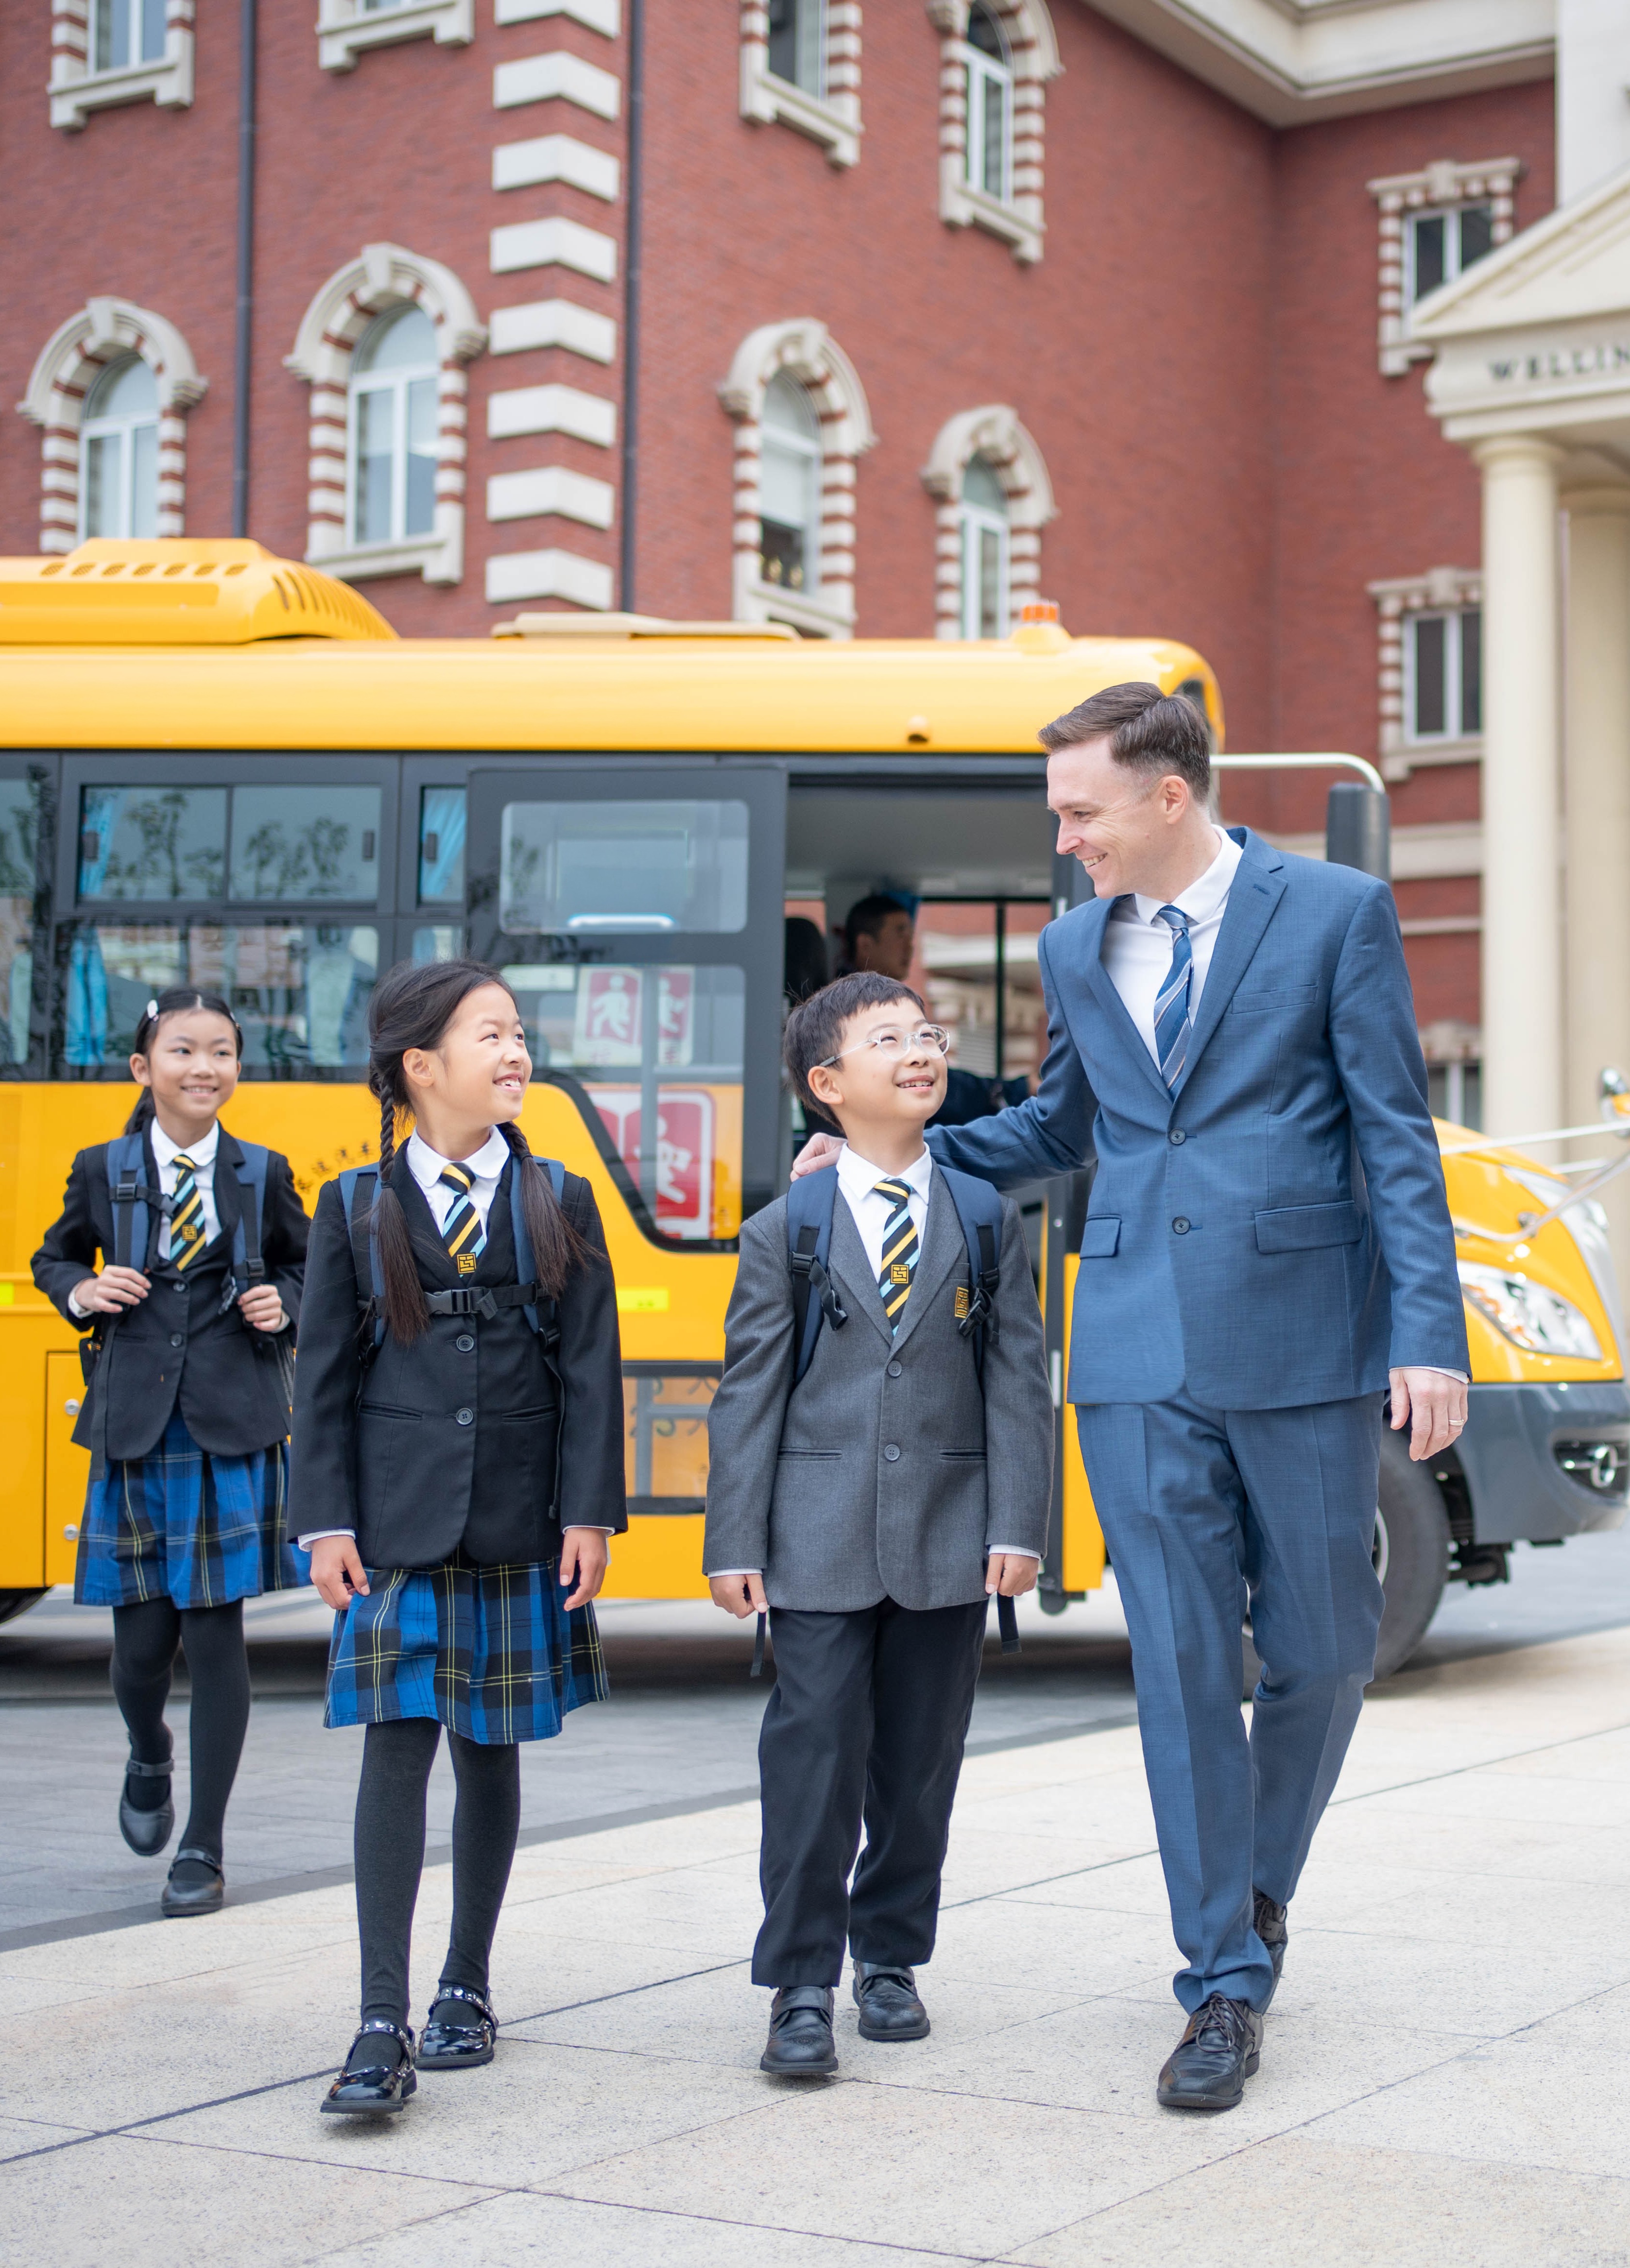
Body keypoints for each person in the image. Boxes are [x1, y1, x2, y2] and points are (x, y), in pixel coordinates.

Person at [795, 684, 1469, 2112]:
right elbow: (1060, 1125)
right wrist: (880, 1153)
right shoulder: (1069, 941)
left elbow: (1391, 1131)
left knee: (1322, 1646)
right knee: (1172, 1669)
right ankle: (1218, 1978)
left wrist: (1429, 1332)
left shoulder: (1333, 911)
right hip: (1131, 1354)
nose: (1063, 837)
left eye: (1077, 809)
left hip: (1304, 1337)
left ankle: (1255, 1881)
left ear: (1166, 797)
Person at [290, 959, 625, 2116]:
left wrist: (589, 1513)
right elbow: (323, 1377)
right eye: (493, 1034)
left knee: (491, 1751)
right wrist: (322, 1520)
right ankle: (379, 2019)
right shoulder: (352, 1206)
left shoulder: (562, 1198)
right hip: (393, 1525)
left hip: (519, 1520)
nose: (517, 1051)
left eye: (519, 1032)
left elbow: (592, 1371)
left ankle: (466, 1989)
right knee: (396, 1744)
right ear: (420, 1066)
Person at [706, 971, 1052, 2076]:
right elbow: (748, 1391)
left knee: (918, 1765)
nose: (919, 1050)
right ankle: (800, 1981)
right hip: (813, 1536)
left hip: (950, 1535)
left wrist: (1018, 1523)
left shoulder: (987, 1218)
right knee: (810, 1761)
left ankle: (889, 1958)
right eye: (886, 1038)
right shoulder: (788, 1227)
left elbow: (1017, 1380)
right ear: (826, 1084)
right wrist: (734, 1540)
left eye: (926, 1034)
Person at [32, 988, 309, 1919]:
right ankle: (149, 1746)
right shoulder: (101, 1166)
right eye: (184, 1050)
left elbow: (307, 1265)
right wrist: (83, 1288)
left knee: (216, 1632)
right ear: (142, 1068)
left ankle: (204, 1843)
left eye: (223, 1051)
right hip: (135, 1429)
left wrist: (289, 1303)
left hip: (229, 1423)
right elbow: (52, 1258)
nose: (205, 1067)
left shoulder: (261, 1171)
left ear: (239, 1068)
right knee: (140, 1646)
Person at [842, 893, 1029, 1127]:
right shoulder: (847, 1011)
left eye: (926, 1037)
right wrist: (1008, 1090)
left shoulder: (890, 1000)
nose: (910, 947)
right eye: (900, 934)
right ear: (866, 945)